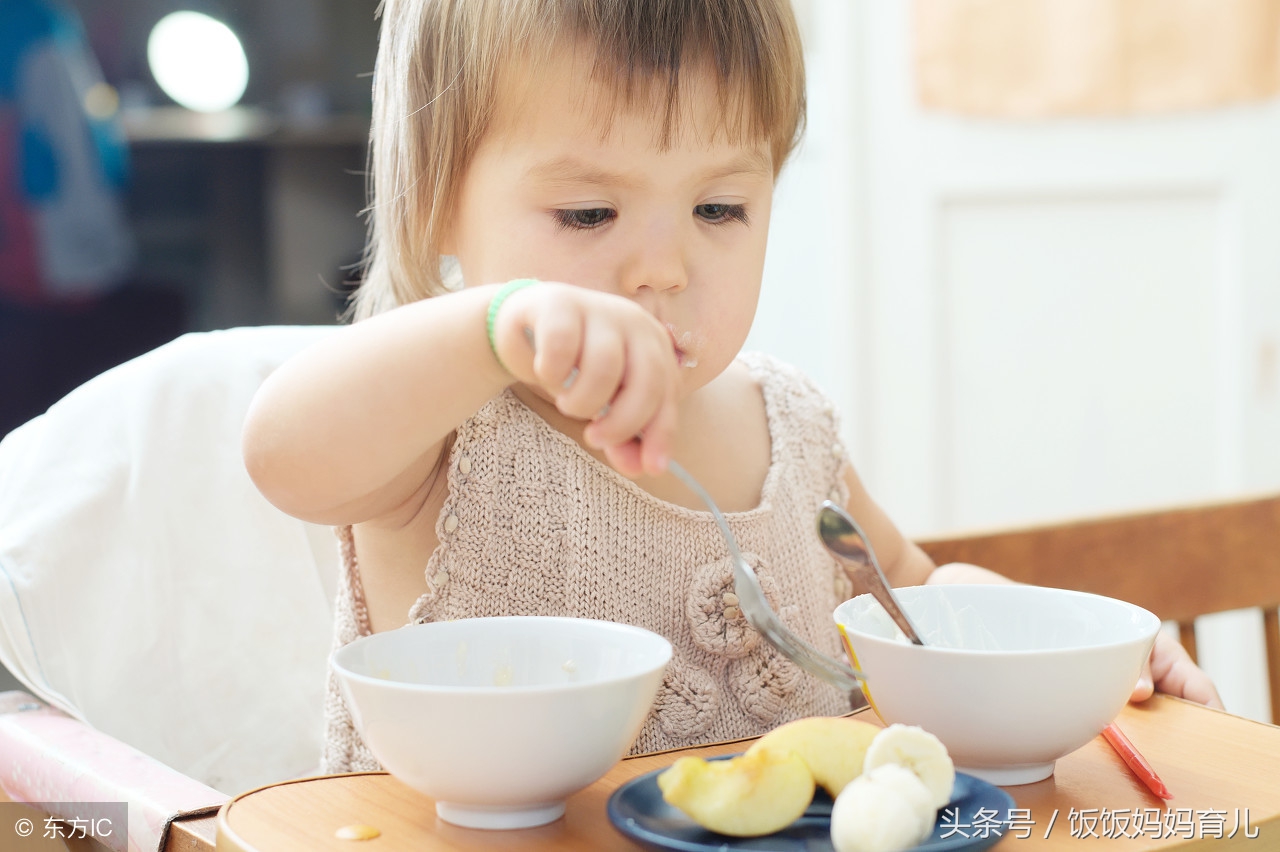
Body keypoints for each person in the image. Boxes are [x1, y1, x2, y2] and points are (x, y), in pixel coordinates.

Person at [241, 0, 1221, 773]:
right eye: (587, 213)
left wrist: (1084, 655)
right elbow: (283, 455)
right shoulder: (444, 432)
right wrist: (495, 324)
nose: (661, 268)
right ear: (436, 208)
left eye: (719, 206)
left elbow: (915, 593)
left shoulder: (789, 430)